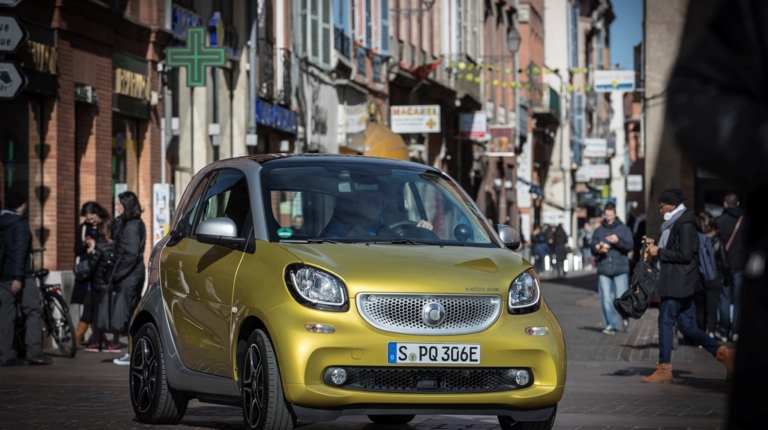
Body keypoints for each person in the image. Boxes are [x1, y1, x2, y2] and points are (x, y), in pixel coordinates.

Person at [666, 2, 768, 422]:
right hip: (740, 278)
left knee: (690, 321)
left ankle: (718, 346)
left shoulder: (689, 223)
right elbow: (694, 95)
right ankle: (678, 359)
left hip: (696, 279)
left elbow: (687, 252)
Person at [642, 187, 733, 383]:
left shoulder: (685, 223)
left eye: (662, 205)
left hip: (678, 282)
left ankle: (664, 369)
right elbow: (674, 246)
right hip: (680, 281)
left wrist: (659, 251)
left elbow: (685, 254)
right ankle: (724, 353)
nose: (660, 209)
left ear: (672, 205)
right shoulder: (676, 221)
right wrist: (655, 244)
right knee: (687, 326)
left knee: (665, 322)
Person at [0, 191, 52, 365]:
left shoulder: (2, 221)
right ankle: (34, 353)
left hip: (3, 275)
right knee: (33, 311)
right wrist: (18, 277)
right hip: (21, 275)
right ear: (21, 205)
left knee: (6, 314)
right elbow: (20, 252)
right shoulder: (19, 224)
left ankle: (6, 354)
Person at [108, 191, 146, 365]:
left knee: (130, 315)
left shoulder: (132, 226)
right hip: (131, 273)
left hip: (130, 275)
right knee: (131, 313)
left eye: (119, 204)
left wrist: (117, 274)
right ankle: (133, 353)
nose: (116, 207)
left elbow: (131, 254)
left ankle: (133, 354)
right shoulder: (129, 223)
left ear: (127, 205)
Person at [323, 183, 432, 238]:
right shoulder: (339, 230)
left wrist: (420, 232)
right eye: (368, 200)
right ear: (356, 203)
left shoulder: (383, 224)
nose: (374, 205)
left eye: (378, 201)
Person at [590, 202, 633, 335]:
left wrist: (617, 241)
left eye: (611, 215)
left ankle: (625, 316)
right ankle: (611, 325)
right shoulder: (599, 230)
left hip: (620, 269)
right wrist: (597, 248)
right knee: (606, 299)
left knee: (621, 298)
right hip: (603, 268)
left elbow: (630, 246)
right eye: (607, 215)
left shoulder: (624, 229)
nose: (608, 218)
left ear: (615, 214)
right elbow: (592, 247)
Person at [73, 202, 111, 349]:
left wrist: (97, 247)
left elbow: (111, 244)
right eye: (88, 219)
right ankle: (88, 338)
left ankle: (91, 338)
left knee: (94, 307)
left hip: (102, 273)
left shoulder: (107, 225)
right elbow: (76, 249)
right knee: (90, 306)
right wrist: (85, 244)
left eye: (93, 218)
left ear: (98, 213)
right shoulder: (83, 228)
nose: (91, 221)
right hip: (88, 273)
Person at [714, 192, 748, 343]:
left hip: (724, 265)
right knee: (739, 299)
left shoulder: (719, 221)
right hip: (740, 264)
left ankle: (723, 331)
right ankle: (736, 332)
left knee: (724, 298)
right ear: (738, 203)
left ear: (725, 204)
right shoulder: (746, 221)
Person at [697, 211, 730, 338]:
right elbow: (724, 262)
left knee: (700, 308)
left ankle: (701, 335)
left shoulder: (696, 239)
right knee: (712, 308)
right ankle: (711, 332)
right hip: (714, 277)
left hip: (699, 277)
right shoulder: (717, 240)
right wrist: (726, 279)